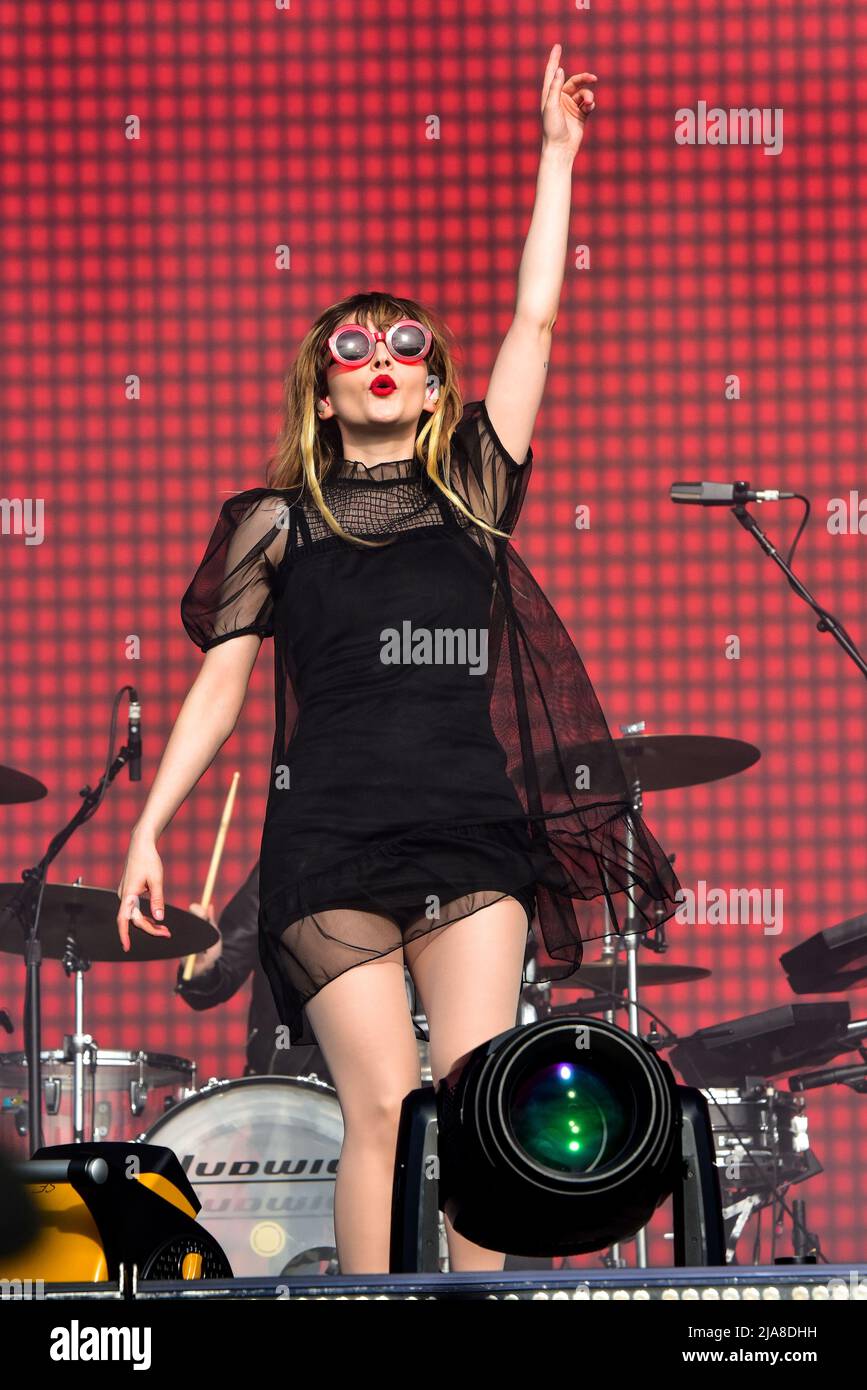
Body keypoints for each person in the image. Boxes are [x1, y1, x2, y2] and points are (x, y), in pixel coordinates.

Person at [116, 46, 681, 1274]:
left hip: (470, 830)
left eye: (408, 345)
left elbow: (535, 316)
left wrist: (557, 157)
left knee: (479, 1109)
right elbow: (220, 682)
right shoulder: (272, 520)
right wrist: (152, 825)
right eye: (354, 347)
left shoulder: (474, 490)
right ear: (323, 393)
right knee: (380, 1108)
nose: (383, 357)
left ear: (433, 392)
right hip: (327, 843)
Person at [176, 861, 334, 1083]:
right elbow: (224, 968)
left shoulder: (394, 861)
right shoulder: (288, 862)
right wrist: (202, 967)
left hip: (381, 1081)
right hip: (287, 1084)